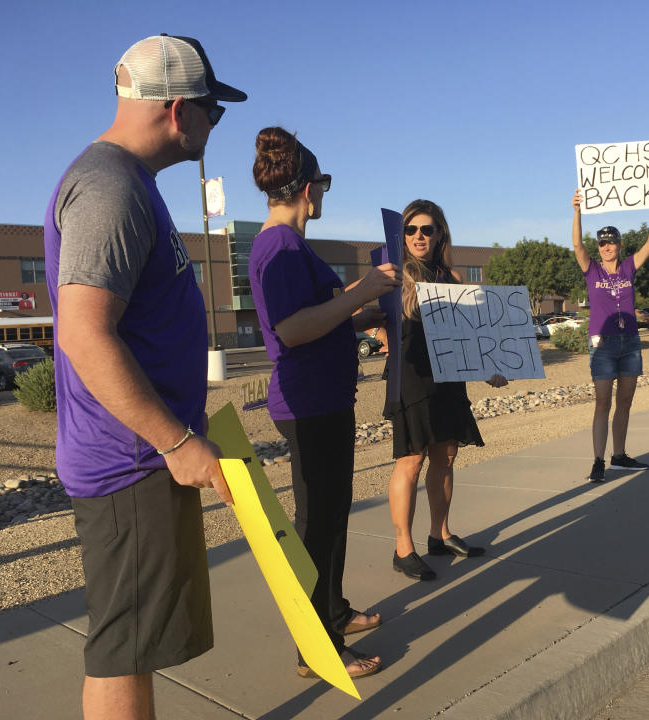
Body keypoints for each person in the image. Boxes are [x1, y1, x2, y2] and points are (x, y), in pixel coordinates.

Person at [43, 35, 245, 720]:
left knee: (133, 646)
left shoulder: (130, 185)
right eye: (213, 114)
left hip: (138, 456)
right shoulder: (110, 188)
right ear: (178, 109)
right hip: (131, 462)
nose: (214, 128)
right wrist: (175, 441)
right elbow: (82, 332)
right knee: (125, 650)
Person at [248, 126, 399, 679]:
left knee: (332, 516)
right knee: (316, 526)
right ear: (309, 188)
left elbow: (317, 321)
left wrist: (360, 314)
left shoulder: (288, 246)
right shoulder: (280, 245)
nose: (323, 197)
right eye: (324, 186)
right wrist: (359, 292)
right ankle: (316, 646)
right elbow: (289, 330)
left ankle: (333, 610)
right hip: (308, 403)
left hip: (323, 398)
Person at [385, 199, 507, 582]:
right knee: (411, 459)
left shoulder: (450, 277)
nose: (419, 236)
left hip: (449, 378)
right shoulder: (394, 273)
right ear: (402, 234)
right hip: (413, 376)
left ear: (440, 233)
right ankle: (403, 548)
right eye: (411, 229)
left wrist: (488, 367)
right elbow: (365, 312)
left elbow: (467, 334)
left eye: (427, 229)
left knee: (446, 457)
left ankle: (440, 533)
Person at [571, 188, 649, 482]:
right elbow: (577, 245)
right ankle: (597, 461)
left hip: (629, 343)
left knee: (625, 402)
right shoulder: (592, 271)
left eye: (611, 242)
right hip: (602, 345)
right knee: (602, 402)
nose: (606, 247)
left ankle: (619, 456)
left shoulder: (629, 267)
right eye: (602, 243)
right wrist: (577, 210)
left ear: (619, 244)